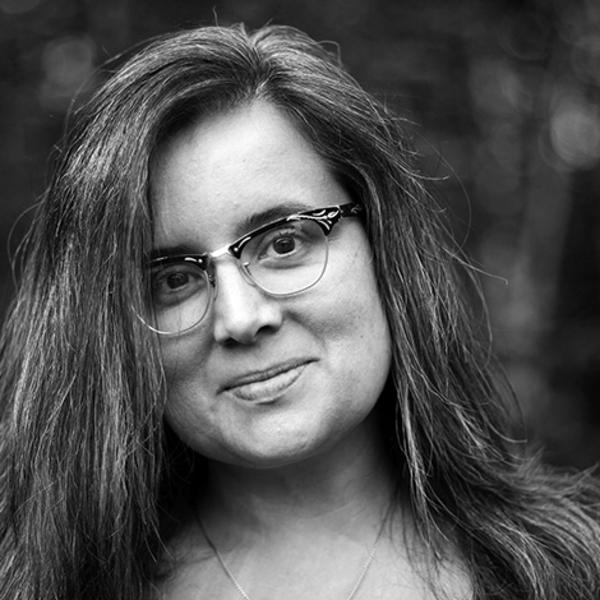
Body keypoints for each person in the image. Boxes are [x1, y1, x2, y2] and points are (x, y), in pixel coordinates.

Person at [1, 23, 599, 600]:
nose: (241, 318)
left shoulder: (571, 574)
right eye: (174, 280)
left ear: (384, 244)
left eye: (283, 243)